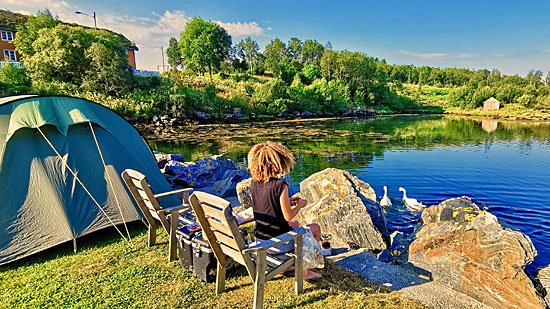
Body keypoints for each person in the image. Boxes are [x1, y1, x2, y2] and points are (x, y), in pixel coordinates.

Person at [247, 141, 322, 280]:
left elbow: (267, 202)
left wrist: (288, 202)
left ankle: (285, 267)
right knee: (315, 228)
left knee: (294, 224)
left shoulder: (254, 183)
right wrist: (300, 204)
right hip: (276, 245)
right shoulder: (281, 185)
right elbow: (288, 216)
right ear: (279, 163)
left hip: (261, 240)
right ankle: (306, 272)